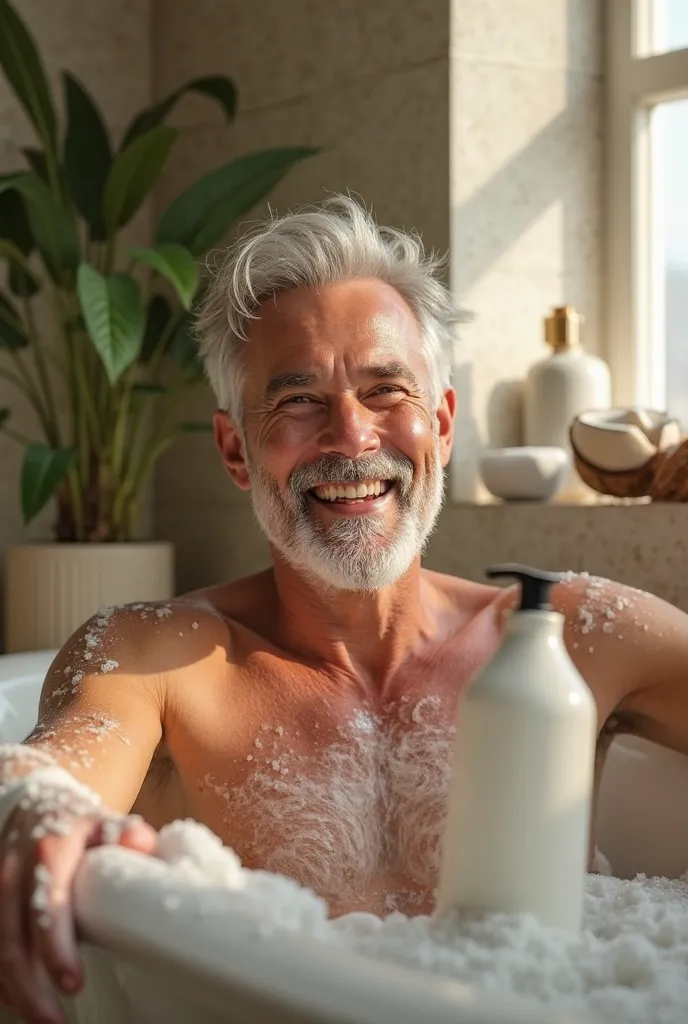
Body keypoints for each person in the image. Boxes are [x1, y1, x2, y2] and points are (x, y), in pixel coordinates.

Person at [1, 196, 688, 1024]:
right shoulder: (156, 658)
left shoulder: (574, 638)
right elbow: (49, 771)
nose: (352, 436)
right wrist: (29, 808)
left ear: (439, 424)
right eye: (297, 402)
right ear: (234, 451)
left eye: (385, 389)